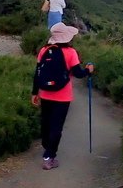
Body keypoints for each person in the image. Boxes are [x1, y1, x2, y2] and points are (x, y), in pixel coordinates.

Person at [31, 22, 94, 169]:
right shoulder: (71, 52)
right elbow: (78, 73)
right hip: (63, 96)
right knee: (56, 126)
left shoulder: (44, 50)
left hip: (45, 93)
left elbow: (37, 73)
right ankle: (49, 157)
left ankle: (46, 147)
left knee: (46, 123)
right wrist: (88, 70)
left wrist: (35, 93)